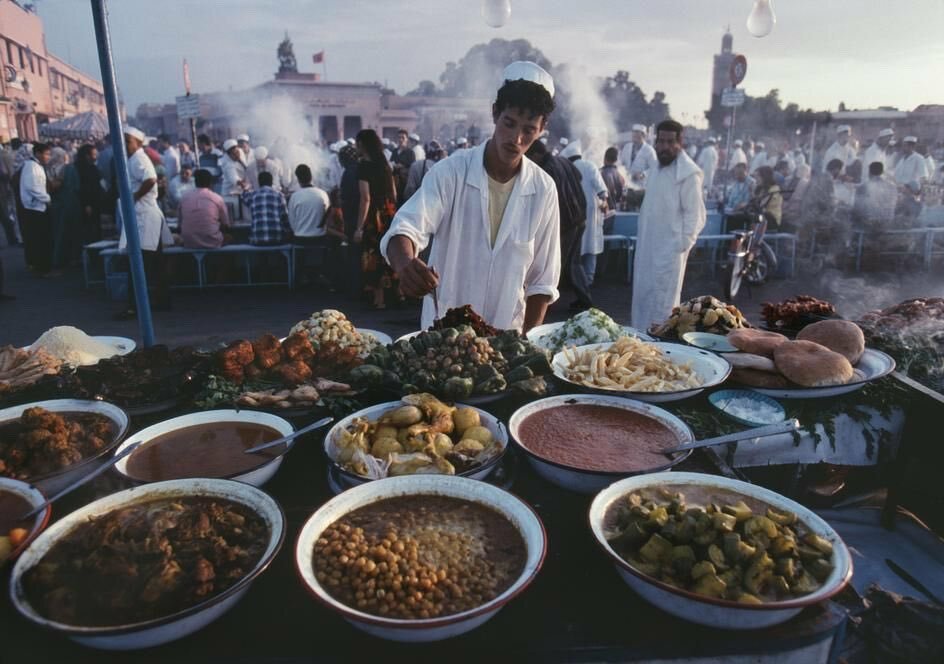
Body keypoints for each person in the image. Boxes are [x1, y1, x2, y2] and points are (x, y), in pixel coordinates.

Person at [381, 61, 561, 332]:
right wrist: (405, 264)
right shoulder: (451, 172)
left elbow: (542, 282)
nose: (516, 138)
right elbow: (405, 228)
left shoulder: (544, 190)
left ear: (542, 128)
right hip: (443, 336)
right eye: (509, 124)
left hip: (506, 339)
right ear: (495, 113)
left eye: (529, 130)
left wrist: (526, 343)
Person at [630, 119, 706, 331]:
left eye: (669, 142)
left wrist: (679, 247)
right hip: (647, 249)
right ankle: (638, 345)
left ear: (680, 142)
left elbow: (696, 216)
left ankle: (659, 354)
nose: (663, 147)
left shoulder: (689, 174)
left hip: (668, 254)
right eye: (660, 141)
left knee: (662, 308)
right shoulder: (656, 167)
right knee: (642, 299)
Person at [526, 138, 591, 310]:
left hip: (566, 221)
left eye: (529, 156)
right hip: (580, 216)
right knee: (574, 262)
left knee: (556, 262)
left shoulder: (546, 171)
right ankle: (584, 299)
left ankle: (545, 302)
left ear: (537, 154)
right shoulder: (563, 161)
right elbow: (579, 176)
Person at [115, 126, 171, 319]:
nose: (125, 144)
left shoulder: (139, 157)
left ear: (138, 143)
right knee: (154, 263)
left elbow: (151, 179)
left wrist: (134, 197)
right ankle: (160, 301)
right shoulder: (133, 158)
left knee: (138, 263)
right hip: (144, 217)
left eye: (128, 141)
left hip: (145, 218)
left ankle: (134, 306)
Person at [353, 129, 398, 309]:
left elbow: (365, 198)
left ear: (362, 144)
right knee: (389, 252)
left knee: (373, 254)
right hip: (389, 212)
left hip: (374, 216)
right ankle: (397, 295)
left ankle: (379, 299)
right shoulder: (385, 163)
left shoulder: (364, 166)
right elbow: (394, 193)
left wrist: (359, 227)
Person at [572, 145, 608, 291]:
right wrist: (604, 201)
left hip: (574, 212)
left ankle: (575, 279)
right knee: (591, 245)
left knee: (576, 247)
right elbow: (601, 190)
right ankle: (588, 278)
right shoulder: (589, 165)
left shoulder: (568, 167)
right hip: (591, 212)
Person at [18, 142, 53, 275]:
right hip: (35, 209)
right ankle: (42, 269)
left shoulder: (35, 166)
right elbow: (32, 187)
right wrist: (47, 198)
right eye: (46, 154)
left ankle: (43, 268)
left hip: (38, 207)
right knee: (40, 240)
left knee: (41, 239)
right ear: (38, 153)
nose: (48, 157)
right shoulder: (31, 166)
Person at [177, 169, 230, 249]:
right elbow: (226, 225)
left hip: (188, 243)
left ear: (195, 182)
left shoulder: (184, 197)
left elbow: (179, 224)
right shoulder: (217, 198)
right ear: (210, 183)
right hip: (213, 243)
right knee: (229, 237)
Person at [240, 171, 290, 246]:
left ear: (259, 183)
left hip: (257, 238)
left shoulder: (253, 195)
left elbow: (243, 196)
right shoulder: (279, 195)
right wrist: (288, 232)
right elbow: (285, 217)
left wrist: (246, 188)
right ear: (271, 182)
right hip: (276, 238)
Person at [852, 162, 898, 231]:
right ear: (882, 172)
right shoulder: (892, 187)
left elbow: (857, 208)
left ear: (869, 173)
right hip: (887, 224)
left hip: (868, 226)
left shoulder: (863, 187)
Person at [75, 144, 104, 244]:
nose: (95, 157)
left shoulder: (78, 167)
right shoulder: (87, 169)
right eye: (94, 154)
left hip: (89, 203)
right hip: (90, 204)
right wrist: (87, 204)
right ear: (87, 156)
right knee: (91, 229)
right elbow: (85, 188)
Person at [600, 146, 625, 215]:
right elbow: (622, 193)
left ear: (605, 158)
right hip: (616, 210)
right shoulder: (619, 175)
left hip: (605, 212)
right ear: (616, 160)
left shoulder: (601, 173)